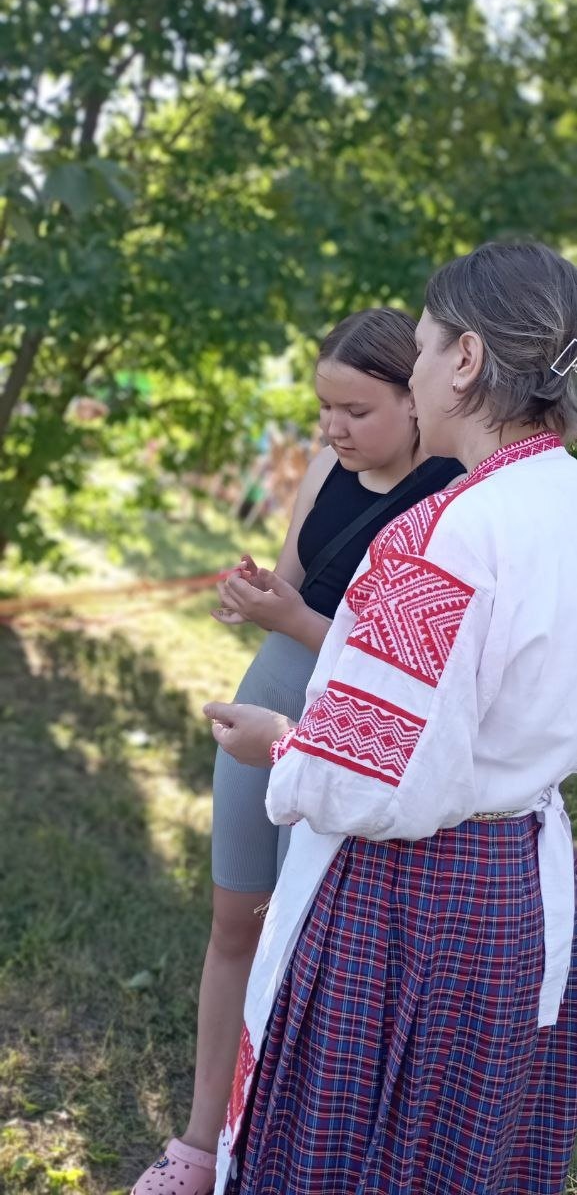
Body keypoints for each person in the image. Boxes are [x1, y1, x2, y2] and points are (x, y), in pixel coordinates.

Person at [205, 242, 577, 1195]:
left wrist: (280, 745)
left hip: (407, 902)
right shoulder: (564, 503)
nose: (412, 370)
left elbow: (364, 779)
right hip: (512, 892)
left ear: (465, 361)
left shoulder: (445, 535)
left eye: (420, 347)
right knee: (459, 1153)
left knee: (356, 1154)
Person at [131, 308, 462, 1195]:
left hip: (342, 727)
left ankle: (264, 1150)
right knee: (233, 921)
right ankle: (199, 1143)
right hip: (270, 694)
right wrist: (255, 597)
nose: (333, 429)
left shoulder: (451, 497)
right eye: (324, 408)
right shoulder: (324, 467)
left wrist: (294, 618)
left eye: (355, 410)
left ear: (415, 397)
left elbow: (404, 667)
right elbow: (291, 581)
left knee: (298, 945)